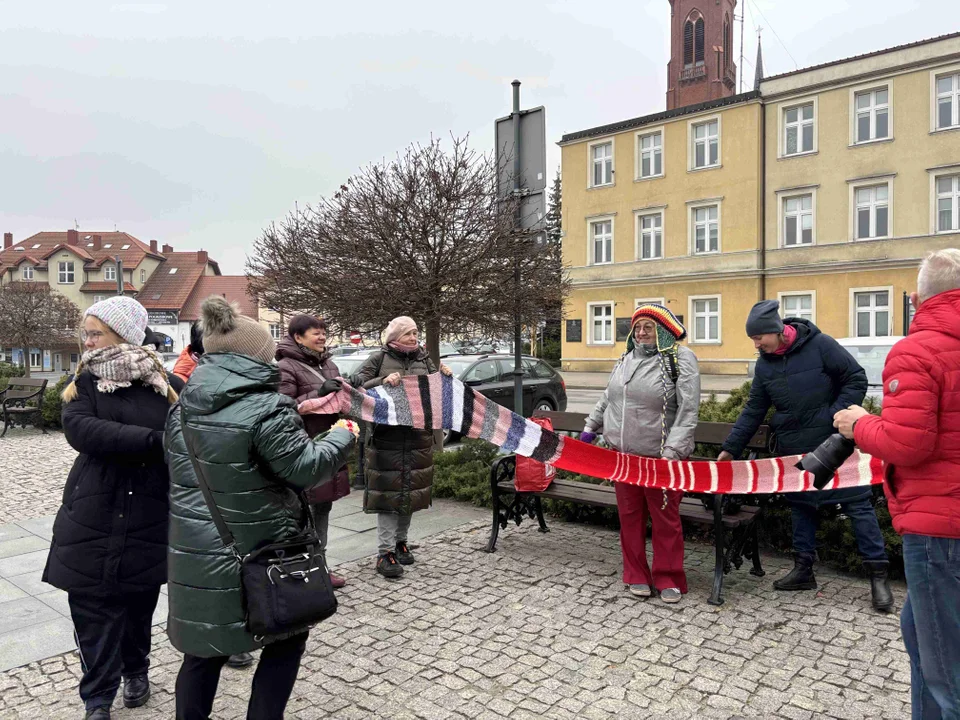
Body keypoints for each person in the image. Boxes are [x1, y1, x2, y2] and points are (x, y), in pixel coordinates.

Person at [165, 297, 357, 720]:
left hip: (199, 550)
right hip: (263, 548)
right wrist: (342, 436)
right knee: (286, 639)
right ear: (254, 355)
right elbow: (305, 469)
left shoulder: (182, 405)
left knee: (204, 650)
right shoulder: (266, 408)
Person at [42, 297, 184, 720]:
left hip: (149, 505)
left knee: (140, 600)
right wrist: (151, 443)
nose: (87, 342)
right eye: (85, 333)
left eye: (95, 333)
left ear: (124, 333)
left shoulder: (165, 382)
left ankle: (136, 671)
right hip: (94, 506)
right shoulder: (82, 381)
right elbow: (82, 429)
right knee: (91, 605)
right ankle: (98, 697)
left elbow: (185, 432)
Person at [834, 249, 960, 719]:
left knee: (948, 672)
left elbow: (908, 444)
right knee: (920, 637)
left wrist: (859, 424)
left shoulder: (917, 349)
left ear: (916, 298)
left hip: (938, 527)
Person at [718, 300, 893, 612]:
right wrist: (731, 448)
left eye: (759, 338)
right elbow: (754, 408)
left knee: (858, 506)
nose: (756, 344)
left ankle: (878, 577)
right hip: (794, 446)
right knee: (801, 508)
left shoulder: (821, 345)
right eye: (753, 340)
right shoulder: (765, 364)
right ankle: (803, 571)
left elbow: (855, 378)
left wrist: (834, 416)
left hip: (836, 444)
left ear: (775, 330)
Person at [581, 304, 700, 603]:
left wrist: (672, 452)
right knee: (630, 518)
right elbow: (608, 397)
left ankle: (668, 577)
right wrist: (591, 426)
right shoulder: (626, 358)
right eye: (637, 327)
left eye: (648, 326)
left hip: (660, 458)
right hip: (623, 457)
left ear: (662, 329)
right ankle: (635, 574)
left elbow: (688, 411)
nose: (642, 332)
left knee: (665, 520)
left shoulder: (680, 359)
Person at [167, 320, 254, 671]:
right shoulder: (186, 377)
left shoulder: (223, 376)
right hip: (201, 484)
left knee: (231, 562)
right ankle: (217, 642)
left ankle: (230, 637)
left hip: (223, 480)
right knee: (212, 565)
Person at [349, 316, 451, 578]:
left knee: (411, 494)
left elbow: (436, 390)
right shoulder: (378, 358)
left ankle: (400, 543)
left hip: (418, 437)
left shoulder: (423, 359)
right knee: (388, 496)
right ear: (395, 336)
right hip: (387, 439)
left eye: (416, 333)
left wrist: (445, 376)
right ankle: (384, 553)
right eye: (409, 333)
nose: (414, 338)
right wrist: (382, 381)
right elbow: (356, 385)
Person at [276, 314, 350, 588]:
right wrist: (317, 392)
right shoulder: (285, 366)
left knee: (323, 507)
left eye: (323, 332)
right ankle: (303, 568)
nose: (321, 337)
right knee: (302, 511)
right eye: (315, 333)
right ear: (298, 337)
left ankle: (321, 566)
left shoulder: (329, 363)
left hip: (327, 447)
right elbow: (283, 407)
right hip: (303, 448)